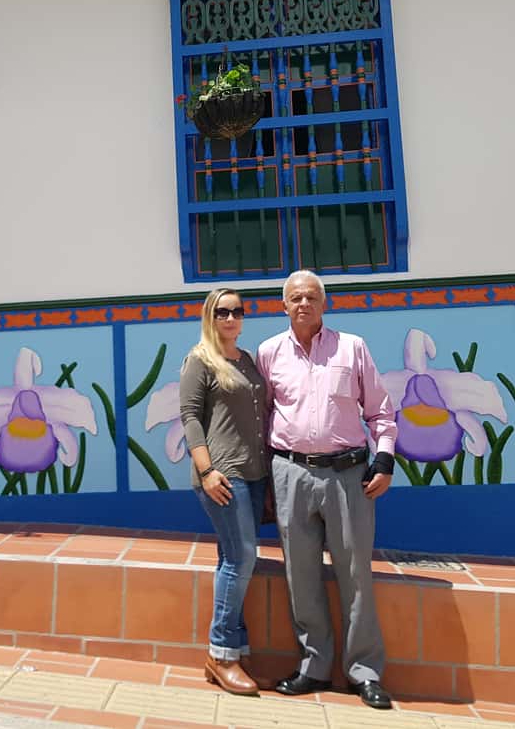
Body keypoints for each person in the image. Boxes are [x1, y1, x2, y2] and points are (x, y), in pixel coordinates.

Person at [255, 270, 396, 710]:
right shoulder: (269, 353)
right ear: (284, 305)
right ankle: (314, 665)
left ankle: (364, 672)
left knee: (355, 574)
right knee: (301, 575)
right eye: (295, 298)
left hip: (347, 475)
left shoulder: (352, 348)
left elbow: (380, 411)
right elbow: (263, 416)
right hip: (290, 474)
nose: (304, 304)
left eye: (311, 297)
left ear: (324, 303)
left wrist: (385, 458)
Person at [180, 287, 270, 696]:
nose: (231, 318)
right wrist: (207, 470)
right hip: (223, 475)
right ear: (209, 316)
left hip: (254, 474)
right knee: (242, 557)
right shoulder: (199, 360)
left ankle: (234, 650)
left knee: (232, 558)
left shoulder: (247, 360)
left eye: (237, 311)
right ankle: (221, 655)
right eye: (222, 312)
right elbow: (190, 417)